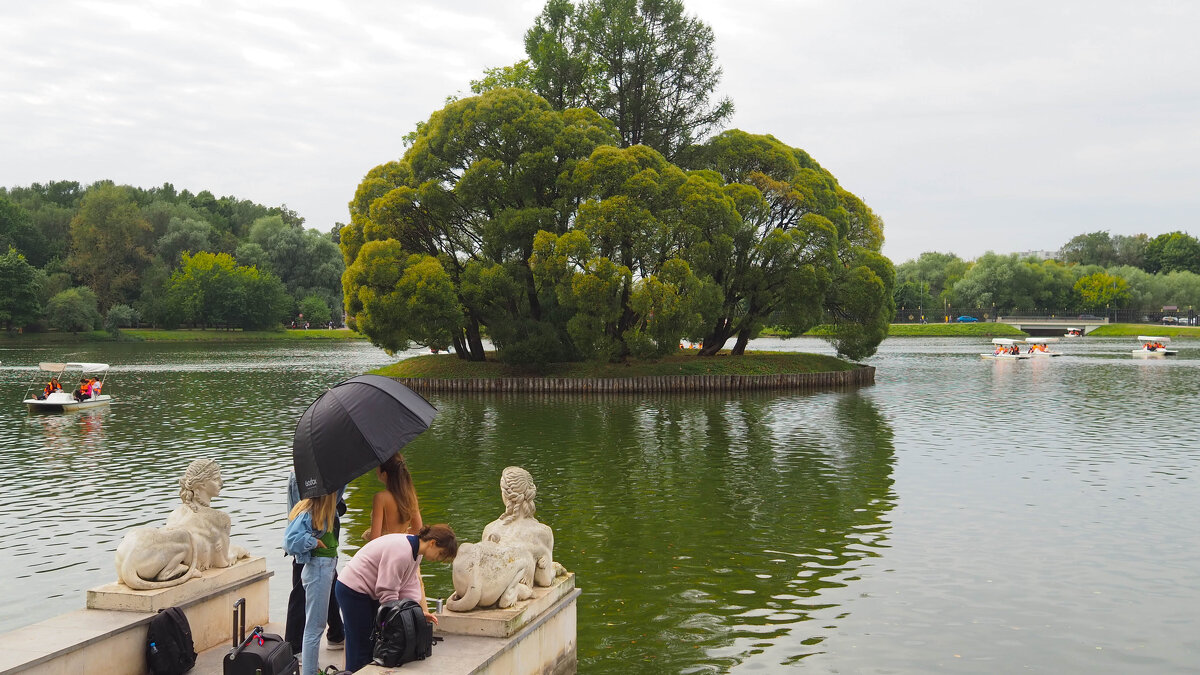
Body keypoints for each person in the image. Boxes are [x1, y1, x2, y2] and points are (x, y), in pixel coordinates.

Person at [334, 525, 458, 672]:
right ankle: (353, 671)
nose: (439, 559)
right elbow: (387, 590)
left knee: (372, 642)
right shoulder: (402, 552)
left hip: (369, 591)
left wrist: (415, 611)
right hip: (353, 589)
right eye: (441, 554)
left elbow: (408, 584)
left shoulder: (416, 552)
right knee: (361, 644)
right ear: (432, 543)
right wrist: (398, 617)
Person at [285, 472, 345, 658]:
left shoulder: (334, 470)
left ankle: (336, 633)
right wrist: (311, 541)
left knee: (329, 585)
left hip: (327, 546)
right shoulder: (300, 476)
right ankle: (294, 647)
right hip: (311, 546)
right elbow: (300, 516)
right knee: (302, 592)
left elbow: (334, 502)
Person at [362, 454, 423, 542]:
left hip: (385, 549)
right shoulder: (410, 495)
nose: (376, 470)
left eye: (378, 467)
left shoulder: (380, 498)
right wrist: (402, 534)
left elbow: (375, 539)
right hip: (402, 548)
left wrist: (368, 534)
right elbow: (418, 529)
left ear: (384, 474)